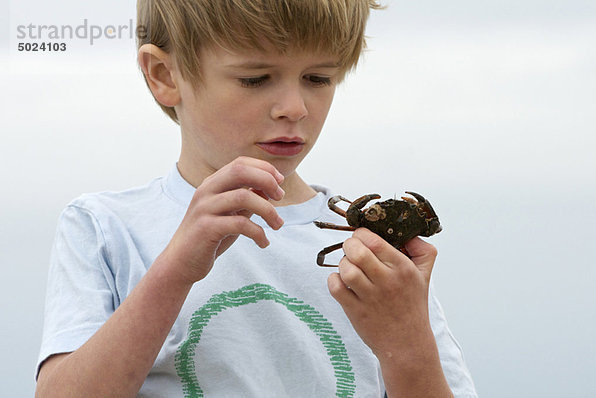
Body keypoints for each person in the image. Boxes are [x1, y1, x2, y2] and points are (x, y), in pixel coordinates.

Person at [35, 0, 477, 397]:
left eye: (318, 77)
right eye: (255, 78)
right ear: (164, 76)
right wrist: (173, 272)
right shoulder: (104, 226)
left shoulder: (374, 248)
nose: (294, 107)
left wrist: (408, 342)